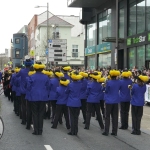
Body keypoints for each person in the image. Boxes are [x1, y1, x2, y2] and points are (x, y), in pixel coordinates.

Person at [27, 62, 49, 135]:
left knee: (35, 114)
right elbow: (48, 87)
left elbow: (28, 87)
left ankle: (36, 130)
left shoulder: (31, 77)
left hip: (34, 97)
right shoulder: (46, 77)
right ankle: (40, 130)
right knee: (41, 114)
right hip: (43, 97)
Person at [102, 70, 121, 136]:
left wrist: (104, 87)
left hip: (109, 101)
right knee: (115, 117)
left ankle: (106, 131)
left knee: (107, 116)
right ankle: (114, 131)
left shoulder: (109, 82)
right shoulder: (119, 82)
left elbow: (106, 90)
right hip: (116, 100)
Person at [16, 57, 33, 125]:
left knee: (23, 106)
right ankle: (30, 120)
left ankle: (24, 120)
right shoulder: (32, 71)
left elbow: (17, 76)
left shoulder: (22, 71)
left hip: (23, 90)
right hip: (30, 91)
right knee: (30, 107)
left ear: (25, 64)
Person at [66, 71, 82, 135]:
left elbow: (66, 92)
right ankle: (76, 130)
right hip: (78, 102)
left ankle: (72, 130)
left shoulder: (70, 85)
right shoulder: (80, 84)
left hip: (71, 102)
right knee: (76, 117)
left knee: (72, 117)